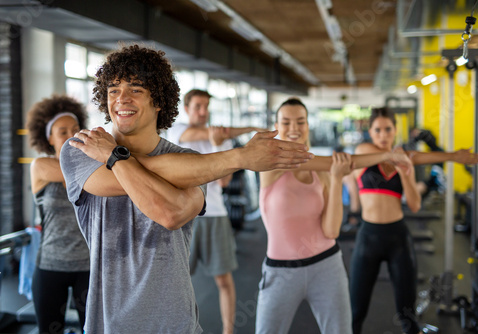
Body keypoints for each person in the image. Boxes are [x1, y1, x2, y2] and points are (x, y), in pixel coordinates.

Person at [59, 44, 314, 333]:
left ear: (159, 101)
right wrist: (238, 157)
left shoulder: (189, 161)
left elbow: (170, 213)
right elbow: (119, 182)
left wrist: (113, 157)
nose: (121, 99)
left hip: (176, 324)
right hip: (108, 324)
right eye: (114, 90)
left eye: (136, 90)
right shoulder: (81, 149)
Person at [255, 98, 415, 334]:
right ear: (276, 126)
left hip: (327, 266)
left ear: (308, 125)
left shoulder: (325, 173)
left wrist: (338, 176)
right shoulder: (270, 167)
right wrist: (387, 155)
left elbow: (331, 231)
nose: (294, 128)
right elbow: (340, 162)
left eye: (300, 121)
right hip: (281, 271)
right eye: (286, 122)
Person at [349, 107, 478, 334]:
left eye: (388, 129)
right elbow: (408, 156)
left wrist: (406, 171)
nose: (383, 135)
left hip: (397, 238)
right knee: (355, 313)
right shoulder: (362, 154)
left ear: (395, 130)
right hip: (368, 238)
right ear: (370, 132)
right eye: (378, 130)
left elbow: (414, 205)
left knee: (408, 315)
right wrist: (448, 156)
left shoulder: (404, 162)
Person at [167, 89, 266, 334]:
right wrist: (251, 127)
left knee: (224, 280)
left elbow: (223, 182)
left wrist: (217, 144)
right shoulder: (178, 131)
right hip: (184, 216)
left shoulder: (221, 139)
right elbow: (199, 133)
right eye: (198, 106)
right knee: (176, 282)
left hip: (215, 214)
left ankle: (228, 331)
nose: (203, 112)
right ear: (187, 108)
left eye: (206, 106)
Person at [26, 95, 90, 334]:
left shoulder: (92, 167)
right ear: (49, 137)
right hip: (50, 265)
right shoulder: (40, 167)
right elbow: (71, 172)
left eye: (76, 130)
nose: (72, 136)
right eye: (63, 132)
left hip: (89, 265)